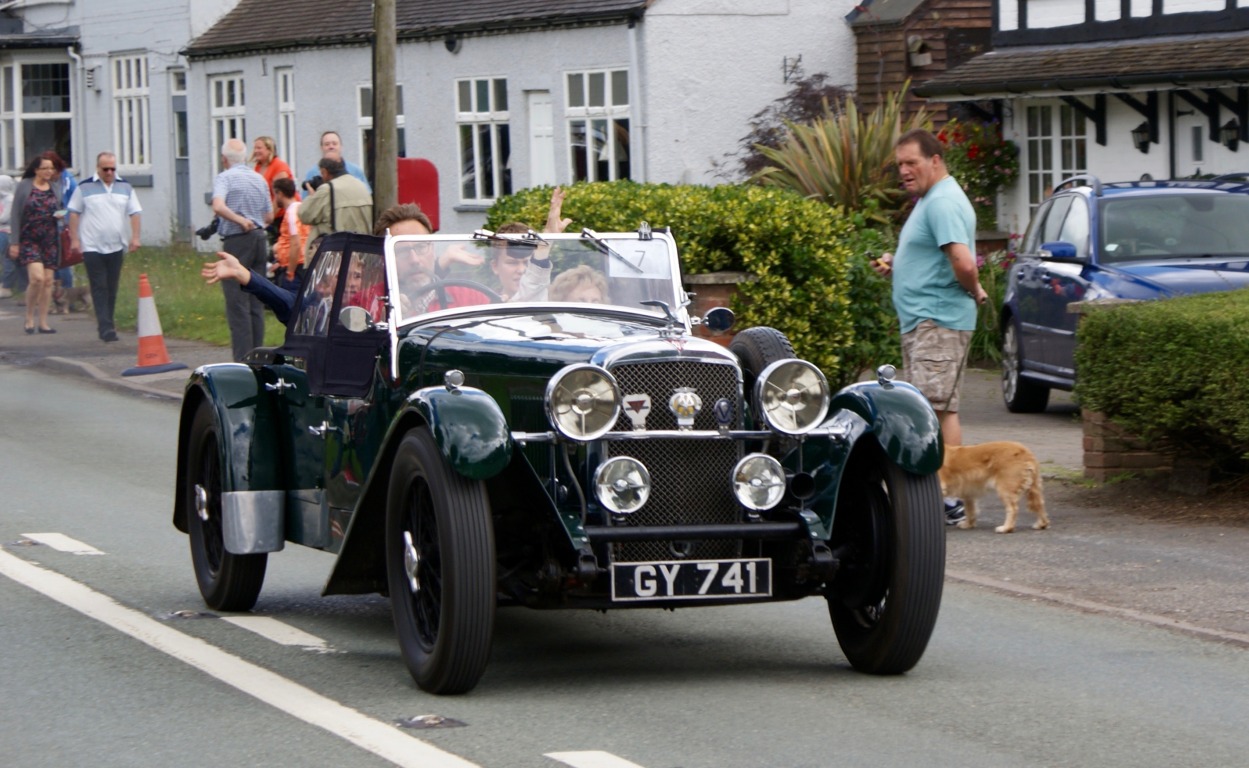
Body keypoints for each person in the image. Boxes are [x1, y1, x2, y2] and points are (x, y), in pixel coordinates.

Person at [871, 128, 988, 526]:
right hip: (925, 320)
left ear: (935, 160)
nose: (904, 171)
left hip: (937, 320)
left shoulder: (942, 202)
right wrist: (897, 261)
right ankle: (944, 497)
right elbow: (937, 256)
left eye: (911, 163)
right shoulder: (930, 200)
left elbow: (964, 262)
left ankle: (948, 499)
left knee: (935, 409)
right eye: (900, 164)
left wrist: (975, 290)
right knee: (933, 405)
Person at [202, 203, 434, 325]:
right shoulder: (365, 304)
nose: (415, 259)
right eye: (403, 251)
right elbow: (290, 305)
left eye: (422, 247)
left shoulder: (460, 294)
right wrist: (245, 275)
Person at [67, 152, 142, 342]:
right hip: (92, 245)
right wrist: (75, 240)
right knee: (99, 285)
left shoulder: (125, 187)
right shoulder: (84, 187)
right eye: (105, 168)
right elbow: (74, 213)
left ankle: (107, 320)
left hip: (116, 245)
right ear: (98, 168)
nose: (109, 172)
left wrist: (135, 237)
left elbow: (134, 212)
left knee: (111, 286)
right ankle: (106, 326)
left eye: (112, 168)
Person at [211, 137, 273, 361]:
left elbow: (218, 206)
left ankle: (242, 359)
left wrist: (239, 219)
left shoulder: (224, 178)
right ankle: (258, 355)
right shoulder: (258, 178)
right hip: (259, 238)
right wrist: (254, 221)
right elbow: (269, 215)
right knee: (256, 298)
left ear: (224, 159)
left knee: (237, 302)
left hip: (237, 240)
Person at [8, 152, 66, 334]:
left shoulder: (55, 186)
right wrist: (14, 242)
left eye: (51, 168)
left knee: (48, 281)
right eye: (45, 168)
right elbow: (15, 214)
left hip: (50, 239)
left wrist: (61, 216)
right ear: (36, 170)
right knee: (37, 279)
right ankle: (29, 317)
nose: (49, 171)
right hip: (29, 239)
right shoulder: (24, 186)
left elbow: (61, 208)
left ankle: (43, 322)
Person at [487, 186, 572, 301]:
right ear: (495, 267)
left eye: (528, 263)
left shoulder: (554, 301)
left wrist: (543, 247)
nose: (521, 270)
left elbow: (533, 285)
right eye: (512, 263)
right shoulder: (480, 301)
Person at [298, 157, 373, 255]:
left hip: (334, 256)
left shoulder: (327, 190)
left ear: (324, 171)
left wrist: (313, 196)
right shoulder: (362, 187)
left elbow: (304, 214)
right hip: (361, 251)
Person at [271, 176, 309, 290]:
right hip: (302, 264)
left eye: (275, 195)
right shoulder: (300, 208)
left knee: (291, 303)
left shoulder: (292, 213)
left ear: (280, 194)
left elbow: (296, 243)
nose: (274, 199)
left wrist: (290, 271)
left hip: (296, 267)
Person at [302, 130, 370, 193]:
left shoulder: (356, 171)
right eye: (327, 144)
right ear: (321, 148)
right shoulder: (312, 173)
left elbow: (367, 194)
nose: (331, 147)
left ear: (341, 147)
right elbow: (305, 200)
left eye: (334, 144)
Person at [251, 135, 293, 225]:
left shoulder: (279, 166)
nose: (255, 151)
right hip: (267, 215)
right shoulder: (258, 167)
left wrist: (268, 221)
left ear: (269, 150)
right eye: (255, 148)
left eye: (259, 148)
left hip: (283, 216)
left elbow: (280, 196)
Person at [0, 174, 21, 299]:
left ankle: (7, 286)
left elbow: (5, 217)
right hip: (2, 231)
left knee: (8, 260)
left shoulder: (10, 199)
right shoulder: (3, 198)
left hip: (8, 232)